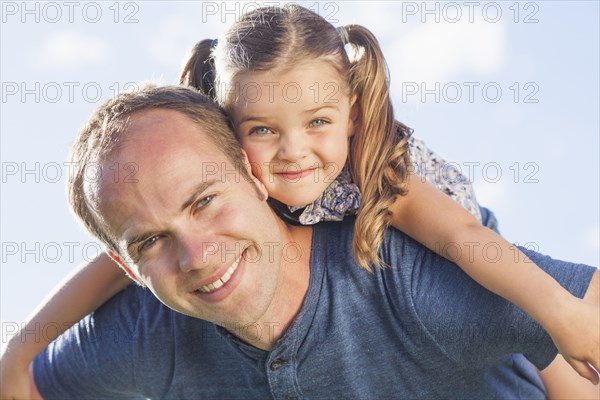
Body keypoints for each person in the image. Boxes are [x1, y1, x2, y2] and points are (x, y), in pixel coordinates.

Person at [0, 3, 598, 398]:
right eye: (262, 129)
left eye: (317, 121)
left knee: (556, 360)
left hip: (475, 245)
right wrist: (20, 351)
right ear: (236, 140)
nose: (293, 152)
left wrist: (562, 315)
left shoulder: (381, 195)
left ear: (353, 116)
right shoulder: (164, 284)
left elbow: (465, 240)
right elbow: (115, 263)